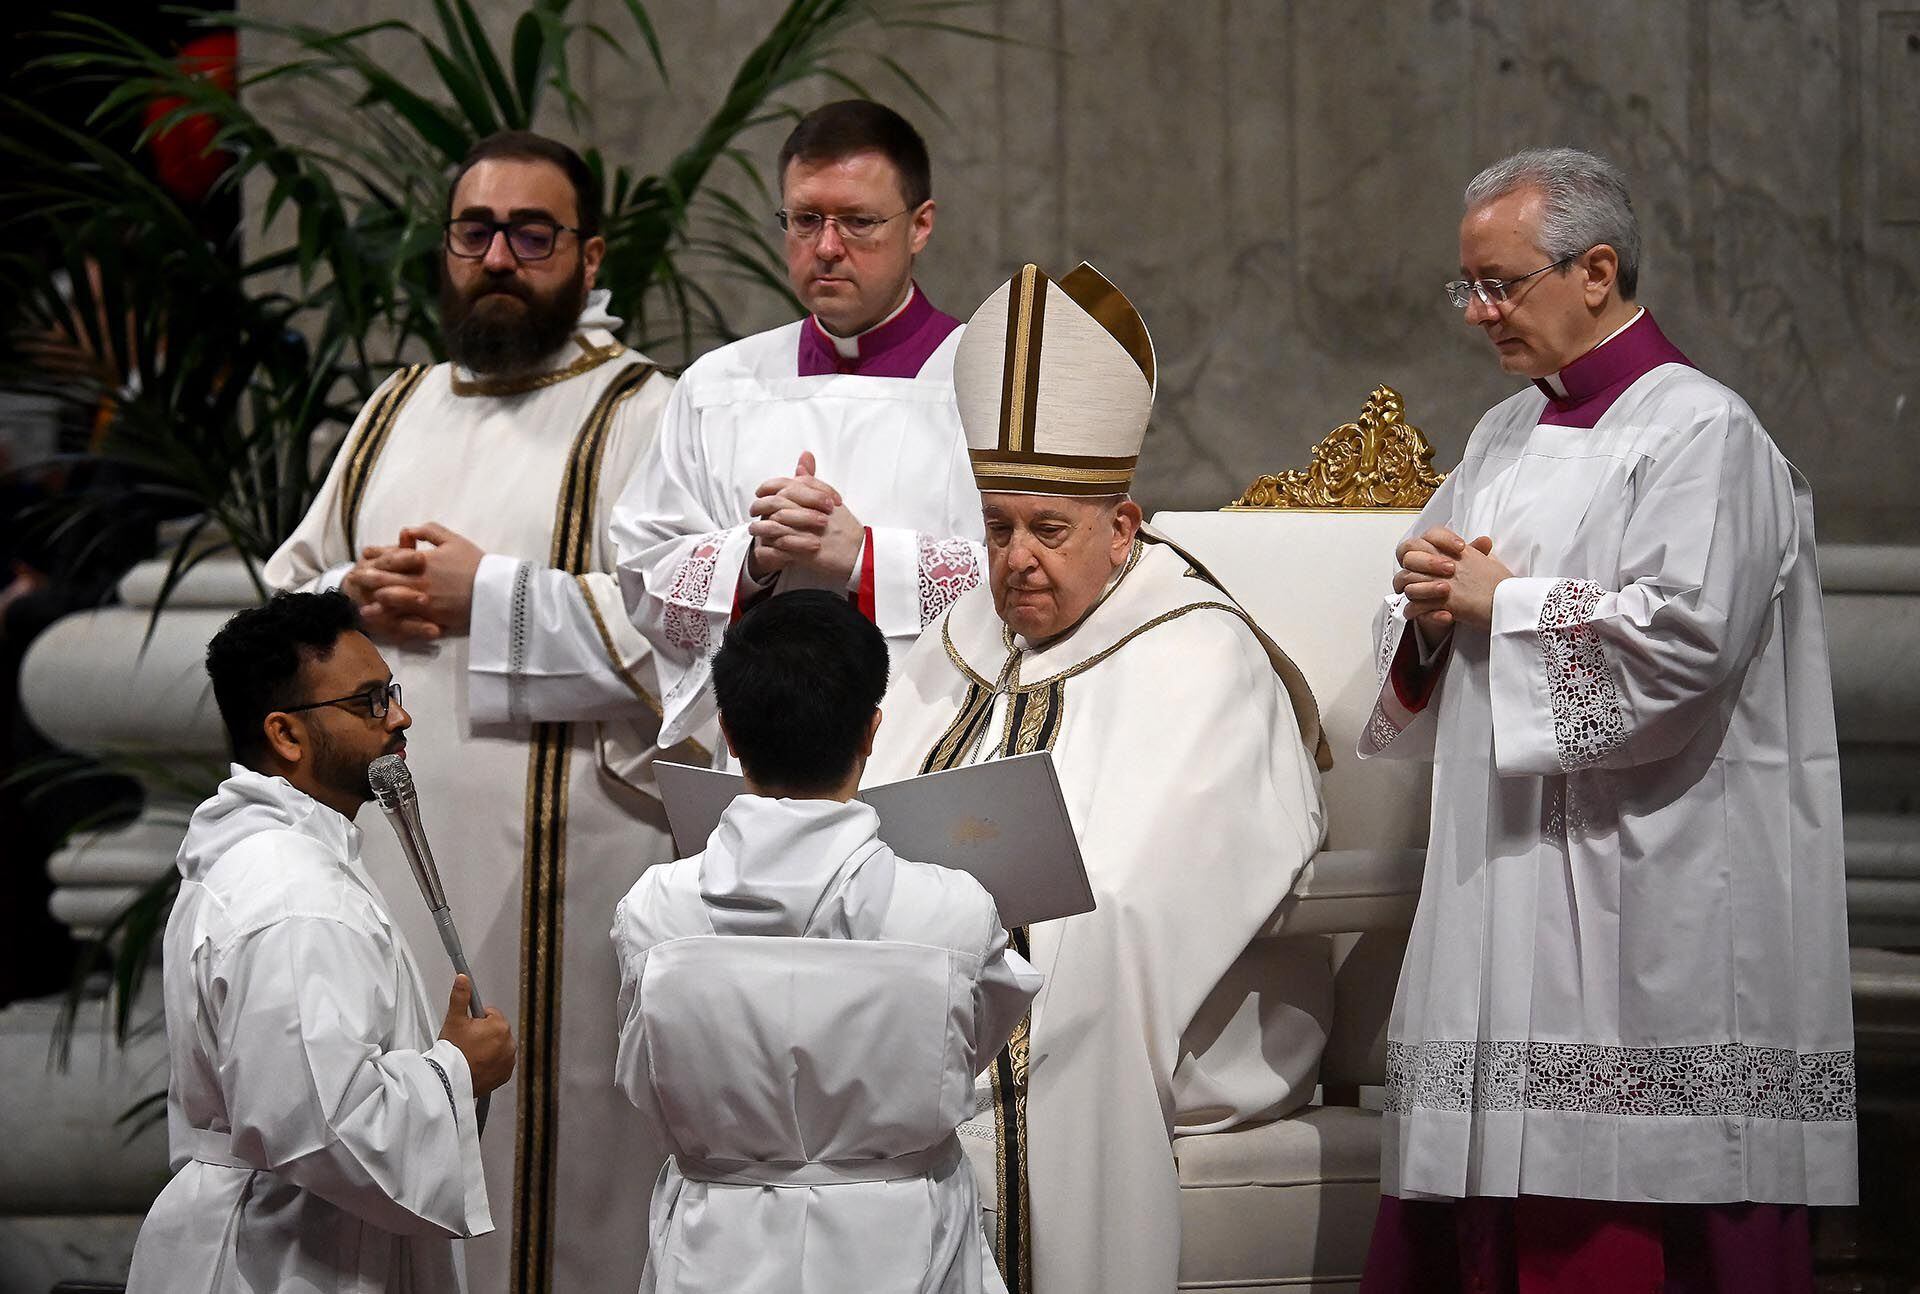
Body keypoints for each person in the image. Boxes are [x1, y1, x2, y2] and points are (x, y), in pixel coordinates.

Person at [1357, 147, 1856, 1294]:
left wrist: (1506, 603)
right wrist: (1430, 610)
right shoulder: (1498, 434)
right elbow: (1421, 617)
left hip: (1652, 876)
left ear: (1594, 269)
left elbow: (1688, 639)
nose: (1479, 312)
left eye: (1500, 283)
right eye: (1467, 286)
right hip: (1503, 869)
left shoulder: (1705, 433)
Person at [265, 131, 697, 1293]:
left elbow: (694, 636)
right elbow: (279, 599)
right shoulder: (392, 407)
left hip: (574, 879)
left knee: (560, 1203)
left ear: (588, 253)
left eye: (532, 234)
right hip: (381, 881)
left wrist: (491, 597)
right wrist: (344, 604)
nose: (498, 256)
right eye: (475, 232)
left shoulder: (650, 415)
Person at [864, 263, 1332, 1294]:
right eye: (997, 528)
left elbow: (1137, 893)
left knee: (1077, 949)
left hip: (1183, 1026)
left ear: (1123, 530)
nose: (1016, 561)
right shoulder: (960, 635)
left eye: (1049, 529)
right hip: (954, 1002)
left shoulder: (1201, 651)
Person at [611, 590, 1040, 1293]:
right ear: (872, 731)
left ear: (731, 731)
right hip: (906, 1243)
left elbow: (641, 1075)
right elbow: (977, 1040)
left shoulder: (655, 911)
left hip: (716, 1244)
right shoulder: (952, 910)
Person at [128, 591, 514, 1292]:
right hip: (288, 1256)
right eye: (369, 702)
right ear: (286, 734)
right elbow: (320, 1126)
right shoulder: (290, 893)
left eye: (390, 694)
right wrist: (459, 1068)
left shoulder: (279, 860)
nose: (400, 717)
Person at [612, 99, 985, 747]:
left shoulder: (990, 383)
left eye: (860, 222)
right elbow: (643, 570)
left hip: (937, 743)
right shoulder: (718, 386)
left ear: (921, 225)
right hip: (763, 757)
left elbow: (1045, 575)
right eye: (806, 220)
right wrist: (753, 556)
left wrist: (865, 559)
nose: (828, 247)